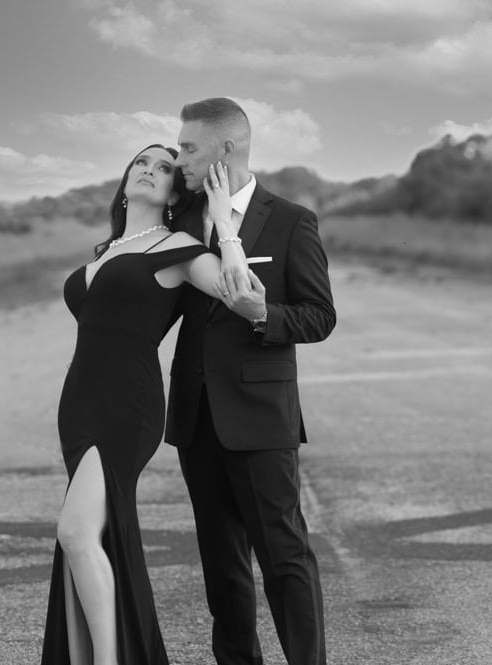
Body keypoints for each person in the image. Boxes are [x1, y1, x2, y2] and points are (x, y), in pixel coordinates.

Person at [41, 143, 248, 665]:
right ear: (126, 176)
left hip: (126, 404)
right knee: (91, 538)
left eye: (164, 169)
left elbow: (241, 293)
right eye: (143, 163)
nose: (150, 171)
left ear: (177, 191)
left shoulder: (177, 248)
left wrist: (224, 226)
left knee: (76, 532)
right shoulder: (104, 250)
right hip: (79, 404)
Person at [165, 98, 336, 665]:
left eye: (189, 147)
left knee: (285, 558)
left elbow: (318, 316)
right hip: (196, 415)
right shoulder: (183, 221)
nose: (179, 157)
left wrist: (262, 315)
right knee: (222, 568)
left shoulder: (289, 220)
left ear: (227, 147)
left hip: (261, 417)